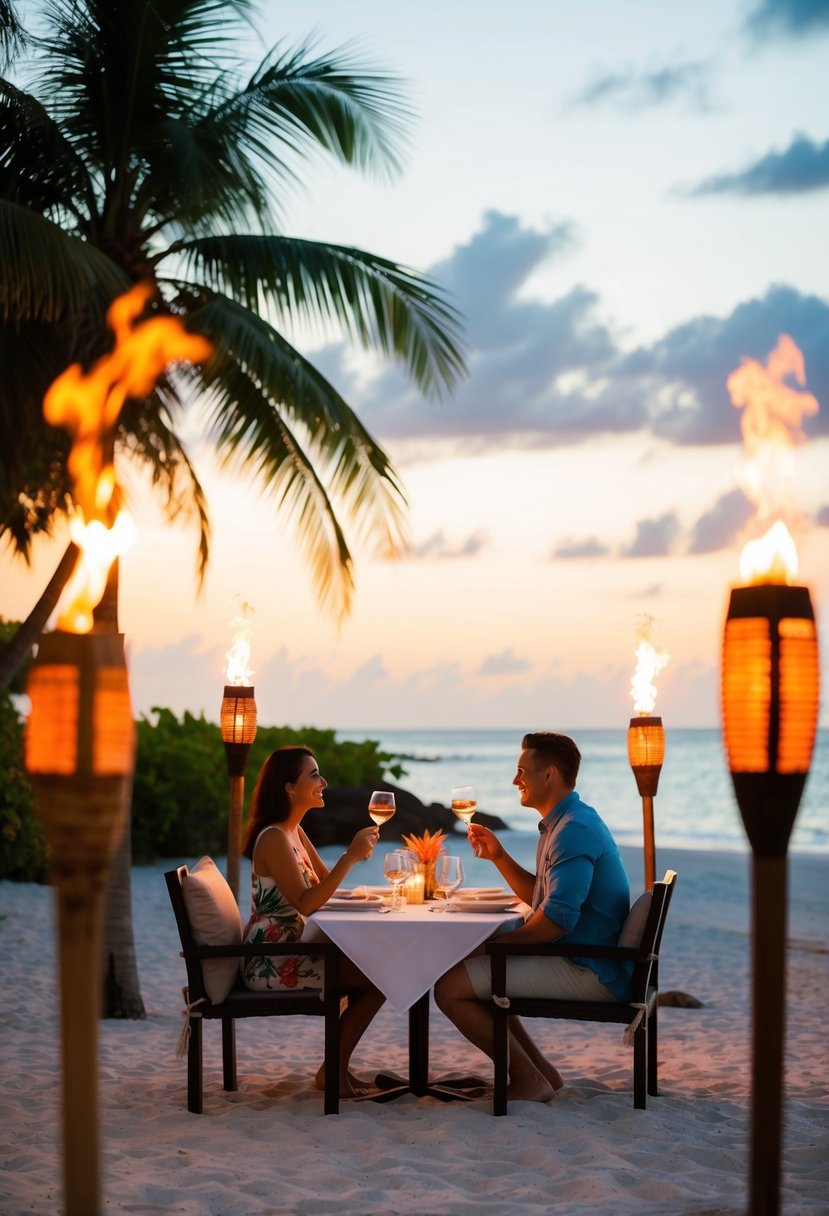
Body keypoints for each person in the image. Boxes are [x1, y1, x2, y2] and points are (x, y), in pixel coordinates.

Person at [434, 731, 631, 1102]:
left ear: (549, 775)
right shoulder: (565, 822)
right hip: (584, 954)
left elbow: (557, 922)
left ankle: (526, 1077)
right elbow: (545, 900)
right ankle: (540, 1072)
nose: (514, 781)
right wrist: (499, 857)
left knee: (449, 988)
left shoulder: (574, 830)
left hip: (590, 967)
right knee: (478, 962)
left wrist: (497, 945)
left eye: (521, 771)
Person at [240, 745, 384, 1098]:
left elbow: (323, 887)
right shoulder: (274, 837)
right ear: (289, 788)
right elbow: (306, 903)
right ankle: (332, 1072)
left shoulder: (294, 832)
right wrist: (349, 857)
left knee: (378, 971)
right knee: (379, 977)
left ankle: (335, 1070)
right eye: (314, 775)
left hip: (294, 948)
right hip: (272, 959)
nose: (324, 781)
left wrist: (359, 882)